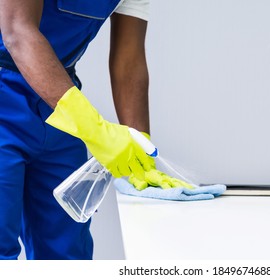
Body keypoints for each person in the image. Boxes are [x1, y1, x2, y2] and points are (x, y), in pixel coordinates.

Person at [0, 0, 191, 260]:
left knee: (67, 253)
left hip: (58, 100)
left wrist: (140, 148)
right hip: (14, 95)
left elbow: (129, 59)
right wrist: (95, 129)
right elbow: (17, 30)